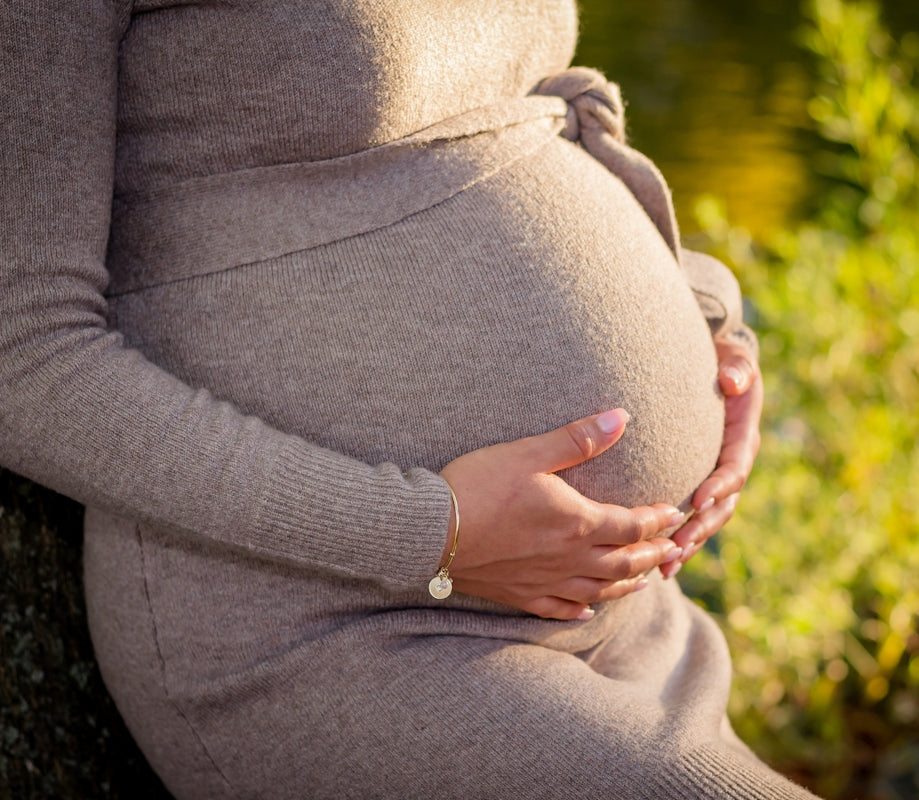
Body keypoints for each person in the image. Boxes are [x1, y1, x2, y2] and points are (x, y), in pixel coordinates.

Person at [0, 1, 818, 798]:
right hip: (340, 630)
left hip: (624, 604)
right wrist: (429, 536)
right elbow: (21, 354)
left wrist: (705, 322)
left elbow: (526, 102)